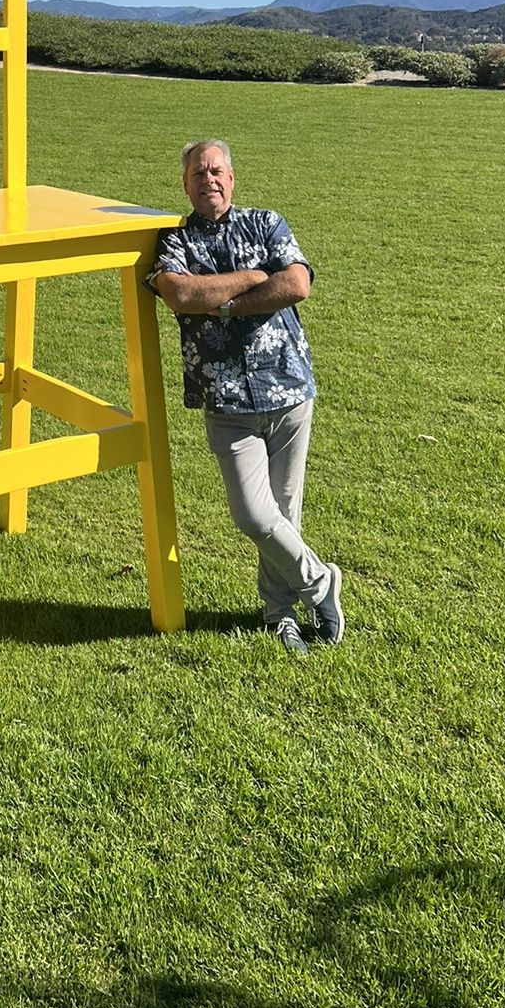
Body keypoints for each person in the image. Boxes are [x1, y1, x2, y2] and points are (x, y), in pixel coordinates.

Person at [147, 139, 344, 656]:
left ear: (231, 179)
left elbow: (297, 284)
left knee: (284, 513)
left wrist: (227, 306)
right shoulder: (174, 242)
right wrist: (257, 278)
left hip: (289, 390)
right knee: (253, 517)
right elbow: (180, 295)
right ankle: (321, 583)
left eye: (216, 171)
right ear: (185, 184)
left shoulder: (266, 222)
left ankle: (279, 614)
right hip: (228, 403)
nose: (208, 179)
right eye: (197, 173)